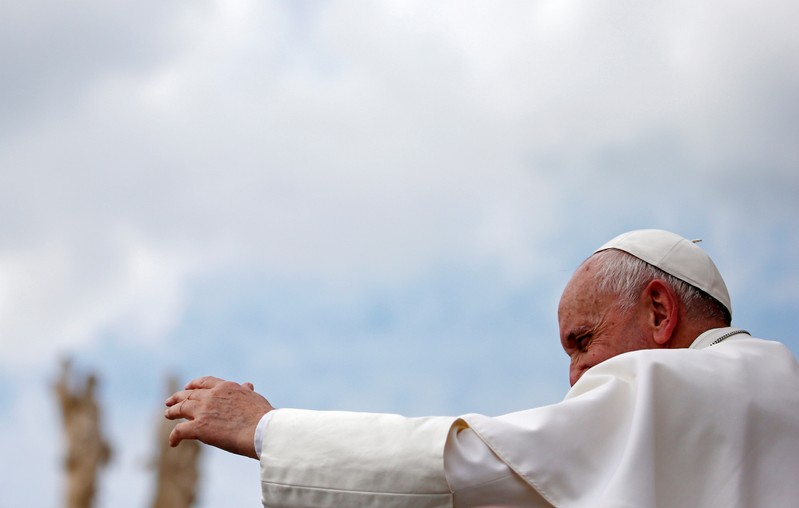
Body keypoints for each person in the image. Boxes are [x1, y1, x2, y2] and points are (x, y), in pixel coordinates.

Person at [165, 229, 799, 507]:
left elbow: (466, 459)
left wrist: (269, 430)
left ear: (660, 313)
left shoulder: (660, 384)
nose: (576, 376)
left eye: (583, 342)